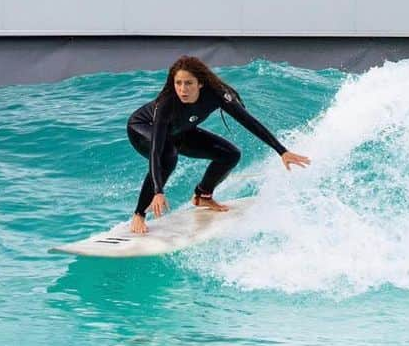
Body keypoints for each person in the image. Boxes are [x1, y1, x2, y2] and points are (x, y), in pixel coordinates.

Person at [126, 56, 310, 235]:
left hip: (179, 132)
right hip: (142, 128)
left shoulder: (217, 95)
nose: (182, 89)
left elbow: (249, 122)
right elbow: (156, 151)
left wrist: (282, 151)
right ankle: (139, 214)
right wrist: (158, 191)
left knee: (230, 154)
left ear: (200, 83)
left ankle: (202, 195)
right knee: (167, 154)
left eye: (188, 83)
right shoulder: (167, 103)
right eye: (178, 83)